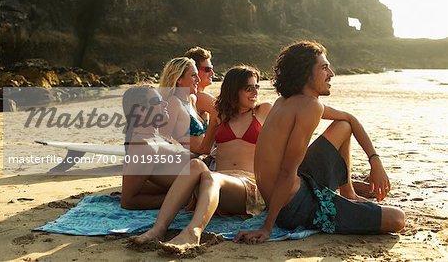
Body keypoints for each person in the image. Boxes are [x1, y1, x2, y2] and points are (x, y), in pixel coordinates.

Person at [235, 41, 405, 244]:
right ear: (306, 73)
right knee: (397, 218)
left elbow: (349, 118)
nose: (331, 73)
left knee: (343, 125)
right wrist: (267, 227)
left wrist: (375, 161)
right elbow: (287, 171)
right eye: (324, 68)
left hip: (294, 187)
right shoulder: (309, 107)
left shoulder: (287, 100)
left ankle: (347, 191)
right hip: (293, 208)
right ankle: (343, 196)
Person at [130, 65, 272, 254]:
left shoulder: (263, 111)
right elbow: (205, 148)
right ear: (234, 89)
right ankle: (158, 229)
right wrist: (175, 150)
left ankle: (193, 232)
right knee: (196, 165)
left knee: (211, 177)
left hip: (247, 186)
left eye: (257, 87)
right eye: (249, 88)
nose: (255, 92)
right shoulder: (220, 116)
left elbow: (285, 134)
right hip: (216, 184)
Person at [121, 85, 208, 210]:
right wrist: (183, 199)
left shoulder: (157, 138)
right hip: (210, 185)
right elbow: (128, 201)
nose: (165, 104)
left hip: (209, 175)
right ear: (139, 110)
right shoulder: (144, 147)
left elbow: (150, 184)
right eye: (157, 101)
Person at [158, 57, 216, 155]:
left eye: (197, 75)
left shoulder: (192, 99)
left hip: (206, 156)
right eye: (193, 75)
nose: (198, 79)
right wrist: (187, 155)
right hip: (191, 162)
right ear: (179, 79)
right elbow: (163, 139)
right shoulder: (174, 102)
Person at [184, 46, 216, 120]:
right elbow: (229, 114)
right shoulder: (200, 97)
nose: (212, 73)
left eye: (212, 68)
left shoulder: (186, 95)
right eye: (208, 69)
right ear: (195, 70)